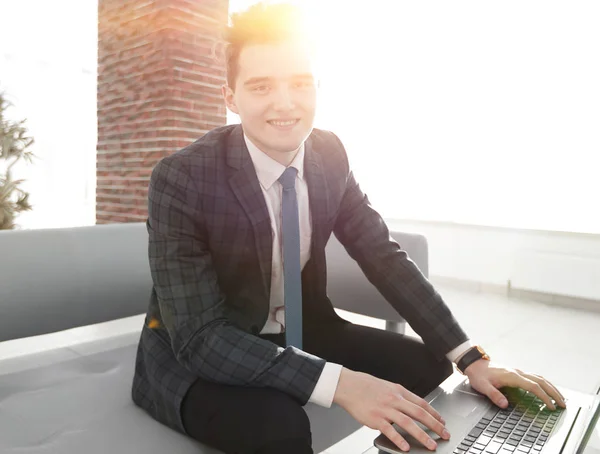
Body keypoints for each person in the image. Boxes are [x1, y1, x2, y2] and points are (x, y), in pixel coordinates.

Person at [130, 3, 566, 453]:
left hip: (305, 329)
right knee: (280, 426)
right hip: (209, 351)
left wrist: (470, 358)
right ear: (230, 96)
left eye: (299, 83)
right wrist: (343, 384)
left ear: (317, 86)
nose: (285, 103)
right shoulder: (182, 178)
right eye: (261, 86)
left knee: (430, 368)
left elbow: (383, 255)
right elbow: (201, 337)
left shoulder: (329, 154)